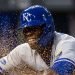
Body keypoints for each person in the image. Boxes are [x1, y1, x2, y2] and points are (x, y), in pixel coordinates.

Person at [0, 5, 75, 75]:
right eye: (26, 30)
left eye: (33, 29)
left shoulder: (67, 43)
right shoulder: (23, 51)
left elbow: (59, 71)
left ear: (47, 28)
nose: (28, 33)